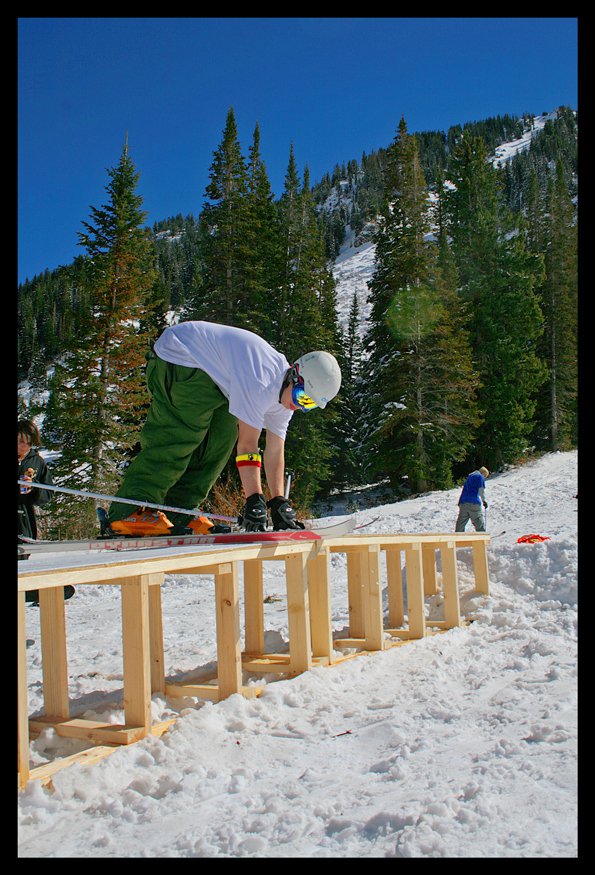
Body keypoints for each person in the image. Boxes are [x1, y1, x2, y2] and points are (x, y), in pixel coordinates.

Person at [106, 321, 342, 536]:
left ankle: (180, 511)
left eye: (308, 404)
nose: (299, 406)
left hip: (216, 380)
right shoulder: (261, 381)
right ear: (293, 374)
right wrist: (255, 499)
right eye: (302, 396)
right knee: (181, 434)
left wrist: (279, 501)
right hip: (180, 358)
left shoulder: (284, 400)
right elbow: (248, 445)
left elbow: (274, 451)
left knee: (221, 439)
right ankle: (130, 510)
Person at [17, 419, 75, 602]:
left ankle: (44, 592)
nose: (24, 447)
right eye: (20, 441)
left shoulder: (36, 462)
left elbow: (48, 495)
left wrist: (34, 487)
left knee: (20, 568)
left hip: (23, 523)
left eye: (28, 442)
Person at [455, 466, 490, 532]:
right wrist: (484, 501)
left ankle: (458, 538)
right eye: (485, 477)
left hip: (463, 502)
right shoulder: (480, 477)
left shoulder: (470, 477)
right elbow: (481, 490)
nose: (484, 478)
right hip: (474, 502)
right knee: (478, 521)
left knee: (461, 523)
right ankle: (481, 538)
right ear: (483, 474)